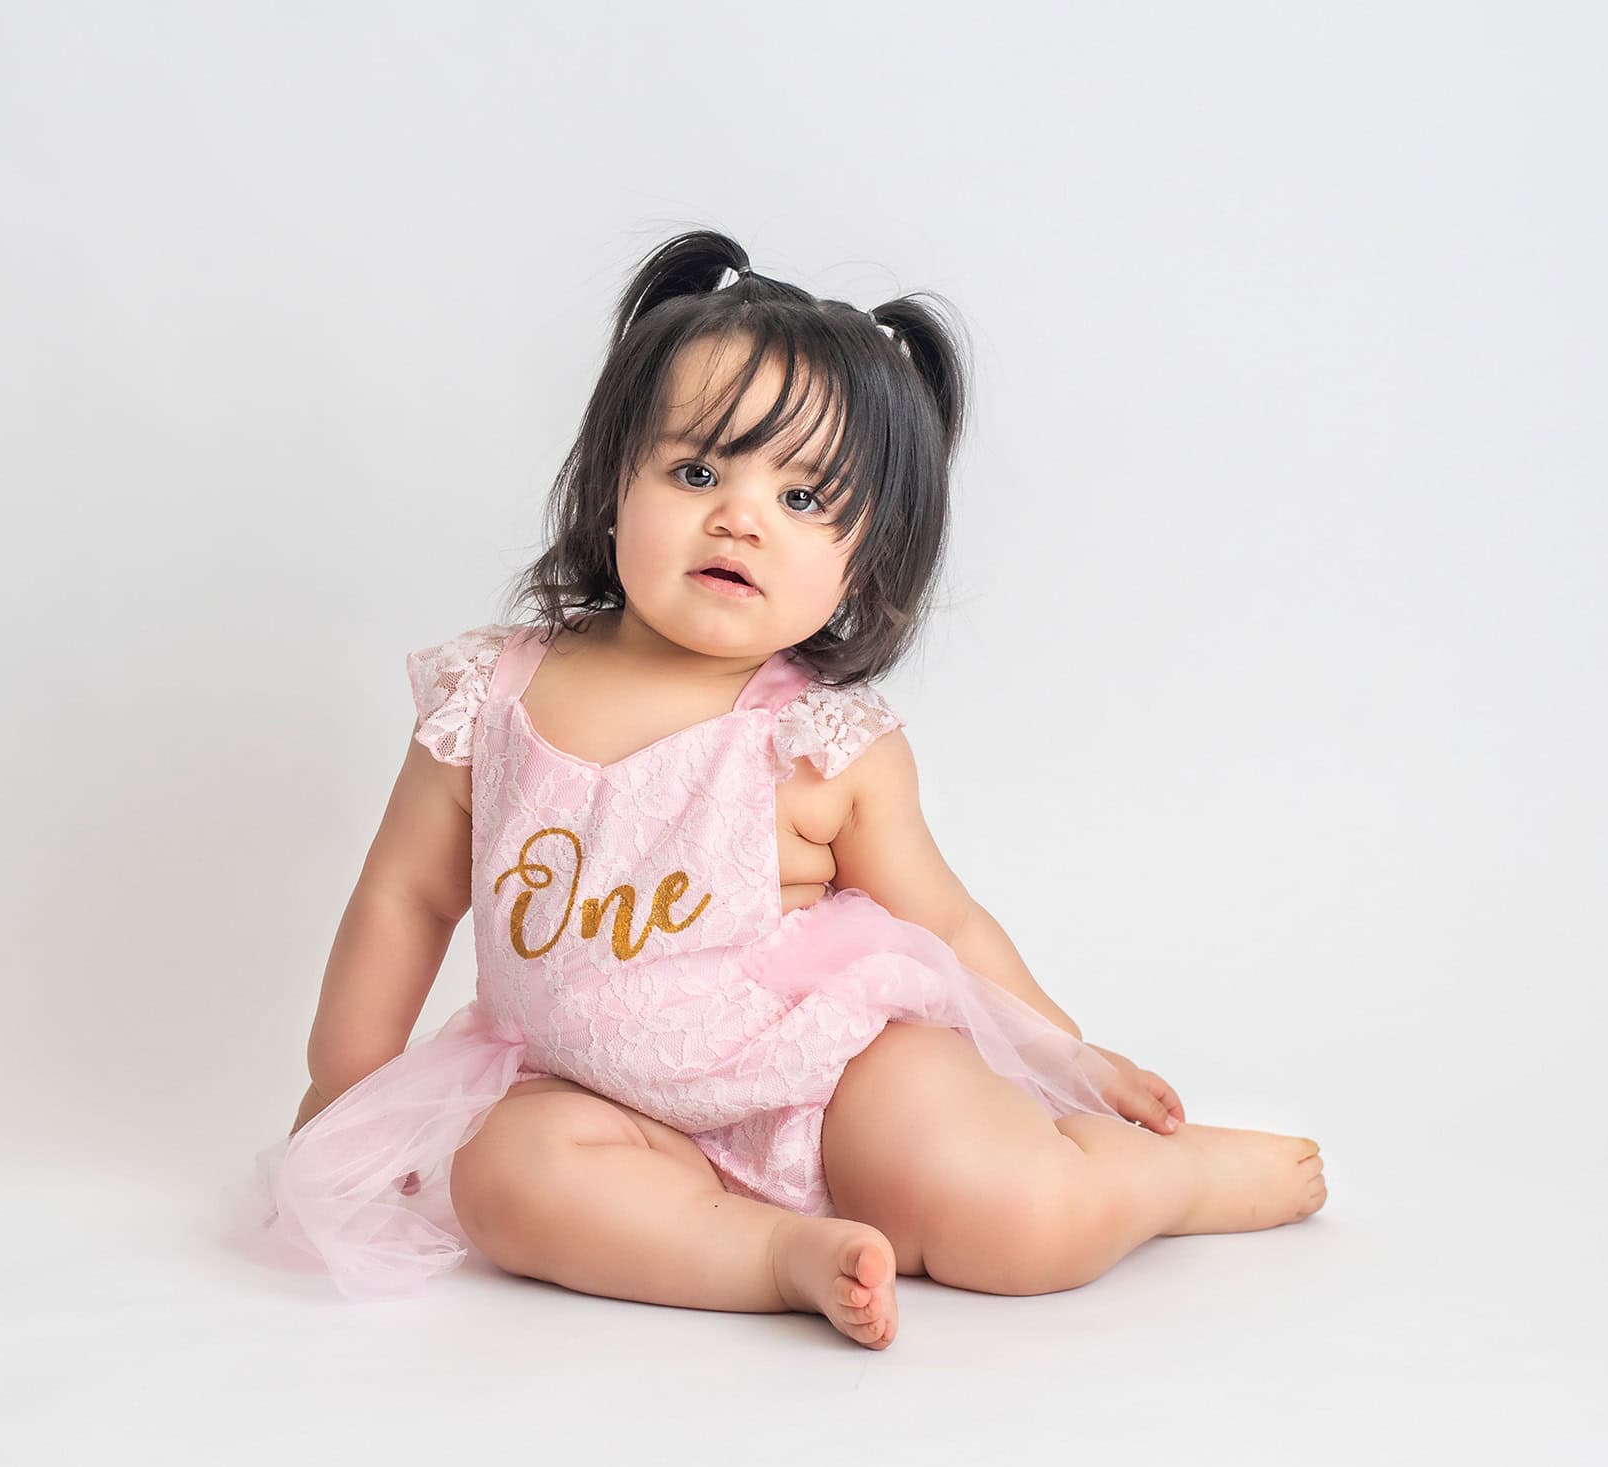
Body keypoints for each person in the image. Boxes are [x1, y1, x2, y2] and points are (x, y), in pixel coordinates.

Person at [224, 229, 1326, 1347]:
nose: (738, 516)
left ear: (868, 559)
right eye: (696, 472)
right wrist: (345, 1092)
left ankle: (1165, 1183)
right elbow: (405, 899)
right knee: (505, 1184)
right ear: (612, 481)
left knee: (1014, 1223)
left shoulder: (813, 742)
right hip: (588, 1093)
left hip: (834, 1074)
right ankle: (769, 1257)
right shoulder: (491, 695)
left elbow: (940, 918)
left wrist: (1064, 1054)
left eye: (803, 499)